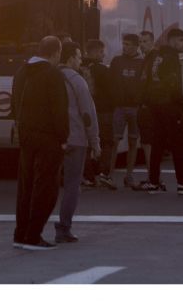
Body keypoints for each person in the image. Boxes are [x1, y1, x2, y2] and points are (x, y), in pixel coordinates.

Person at [12, 36, 68, 251]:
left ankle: (21, 232)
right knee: (47, 187)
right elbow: (59, 110)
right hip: (49, 138)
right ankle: (34, 234)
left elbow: (15, 103)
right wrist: (64, 139)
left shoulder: (21, 72)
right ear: (55, 52)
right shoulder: (53, 75)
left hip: (26, 136)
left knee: (26, 186)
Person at [140, 28, 183, 194]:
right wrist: (181, 102)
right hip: (170, 106)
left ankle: (153, 181)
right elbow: (173, 83)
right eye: (181, 40)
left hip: (155, 105)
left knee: (158, 144)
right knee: (178, 146)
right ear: (173, 41)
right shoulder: (173, 58)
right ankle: (182, 183)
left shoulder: (157, 56)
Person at [55, 41, 100, 244]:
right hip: (75, 139)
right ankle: (64, 227)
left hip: (53, 139)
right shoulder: (77, 80)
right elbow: (88, 114)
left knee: (46, 184)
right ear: (71, 57)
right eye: (79, 57)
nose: (81, 61)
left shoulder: (49, 77)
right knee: (72, 185)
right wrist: (95, 142)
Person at [110, 33, 144, 189]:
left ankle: (129, 175)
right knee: (114, 141)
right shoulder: (116, 61)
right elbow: (111, 82)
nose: (125, 47)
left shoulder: (142, 63)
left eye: (129, 44)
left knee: (133, 142)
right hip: (119, 107)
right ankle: (108, 175)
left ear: (136, 46)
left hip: (135, 108)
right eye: (124, 43)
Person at [81, 39, 116, 190]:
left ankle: (88, 176)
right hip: (103, 111)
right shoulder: (103, 70)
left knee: (87, 144)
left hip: (84, 112)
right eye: (101, 51)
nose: (104, 54)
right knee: (106, 142)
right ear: (94, 52)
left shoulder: (79, 68)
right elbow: (111, 90)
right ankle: (104, 174)